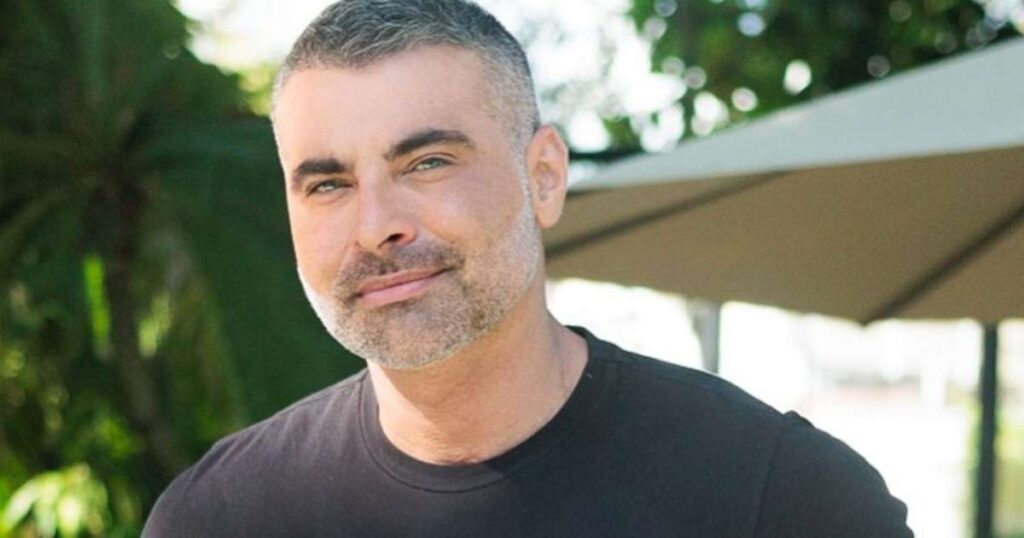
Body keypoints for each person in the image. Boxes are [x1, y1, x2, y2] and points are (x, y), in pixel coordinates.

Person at [143, 0, 914, 536]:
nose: (376, 227)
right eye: (328, 185)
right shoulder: (220, 518)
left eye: (428, 162)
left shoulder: (779, 499)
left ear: (543, 176)